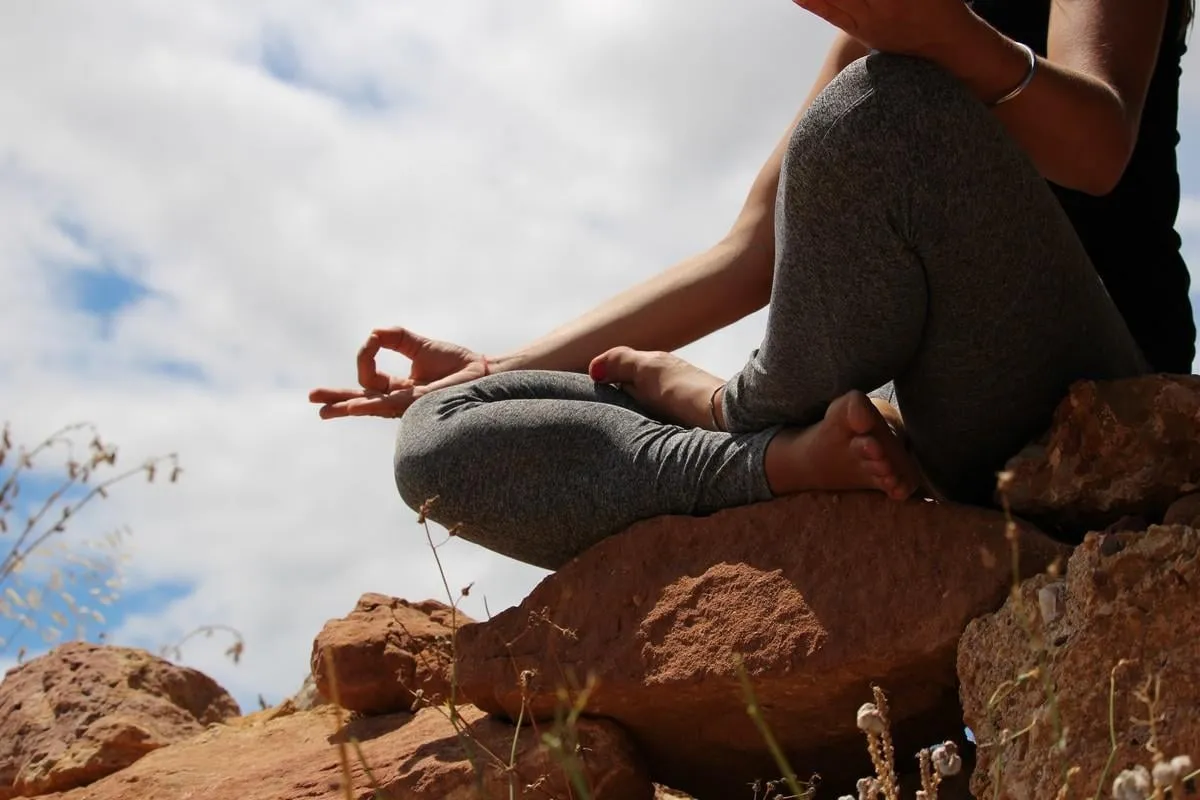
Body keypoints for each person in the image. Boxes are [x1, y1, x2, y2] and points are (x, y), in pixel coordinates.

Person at [311, 0, 1195, 571]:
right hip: (901, 424)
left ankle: (725, 410)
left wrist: (942, 38)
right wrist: (500, 364)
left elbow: (1098, 150)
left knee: (885, 110)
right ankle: (778, 464)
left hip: (1082, 376)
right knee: (442, 436)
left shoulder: (923, 30)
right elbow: (749, 255)